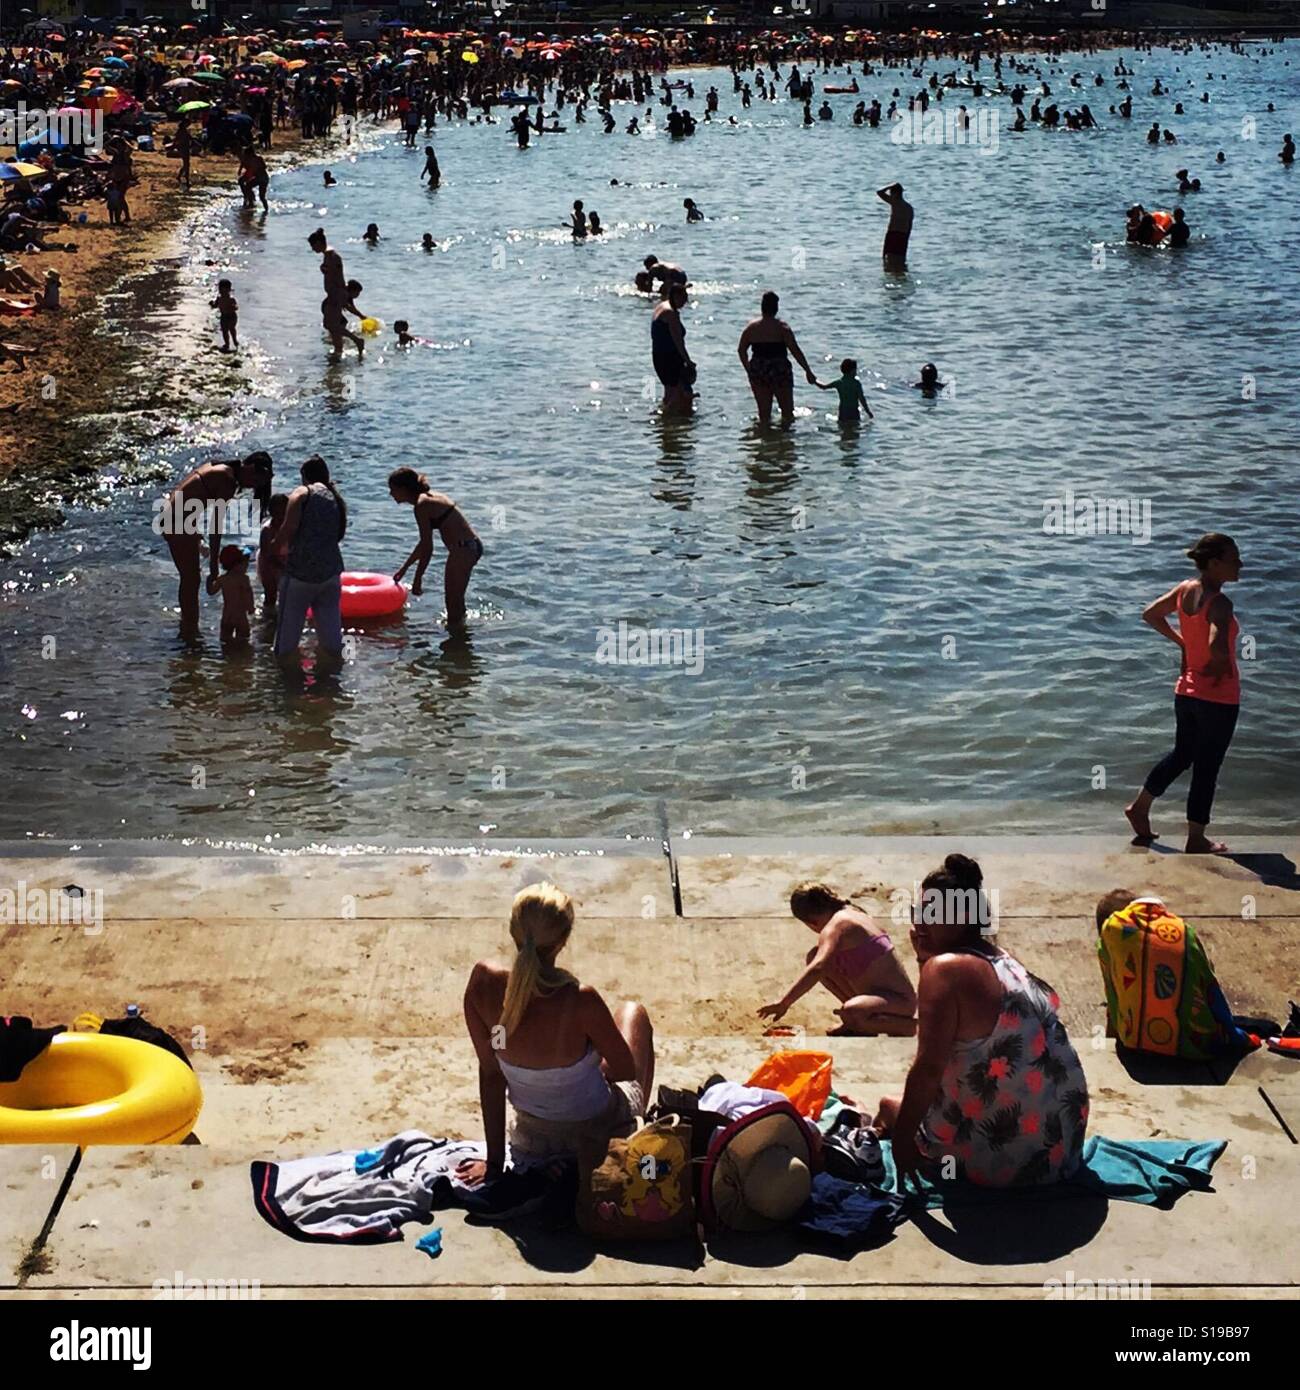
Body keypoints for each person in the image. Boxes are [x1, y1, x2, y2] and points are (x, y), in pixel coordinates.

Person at [873, 854, 1088, 1187]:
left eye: (931, 913)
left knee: (890, 1108)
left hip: (1006, 1165)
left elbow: (928, 1068)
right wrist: (923, 957)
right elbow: (947, 1017)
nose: (918, 923)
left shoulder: (944, 971)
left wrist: (902, 1144)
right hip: (1061, 1152)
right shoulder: (1001, 959)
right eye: (917, 912)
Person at [458, 882, 655, 1182]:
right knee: (632, 1013)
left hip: (534, 1142)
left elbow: (491, 1074)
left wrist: (494, 1163)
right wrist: (584, 1064)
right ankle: (635, 1131)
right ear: (563, 940)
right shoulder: (580, 999)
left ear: (514, 932)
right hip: (597, 1136)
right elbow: (625, 1069)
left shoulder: (483, 984)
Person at [1126, 533, 1243, 854]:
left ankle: (1140, 807)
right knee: (1207, 767)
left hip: (1187, 692)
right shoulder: (1220, 603)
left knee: (1182, 754)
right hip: (1217, 698)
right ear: (1215, 563)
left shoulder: (1185, 590)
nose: (1240, 564)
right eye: (1234, 559)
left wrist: (1183, 643)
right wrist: (1218, 663)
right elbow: (1216, 644)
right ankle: (1196, 838)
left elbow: (1151, 613)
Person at [759, 882, 916, 1036]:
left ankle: (907, 1027)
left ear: (811, 922)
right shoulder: (853, 911)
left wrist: (784, 1003)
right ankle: (858, 1019)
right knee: (814, 954)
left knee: (851, 1011)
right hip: (878, 998)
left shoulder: (837, 925)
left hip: (898, 1002)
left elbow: (818, 967)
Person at [162, 453, 273, 637]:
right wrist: (214, 565)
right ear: (251, 468)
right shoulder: (227, 479)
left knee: (190, 578)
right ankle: (190, 630)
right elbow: (216, 526)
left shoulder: (219, 466)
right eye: (255, 481)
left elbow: (187, 493)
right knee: (191, 579)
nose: (251, 486)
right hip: (177, 521)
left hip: (174, 515)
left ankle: (188, 624)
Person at [273, 455, 347, 670]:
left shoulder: (302, 492)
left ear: (304, 476)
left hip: (300, 575)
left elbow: (289, 527)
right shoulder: (335, 498)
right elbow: (339, 534)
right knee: (333, 640)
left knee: (285, 642)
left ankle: (286, 685)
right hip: (331, 573)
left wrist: (274, 547)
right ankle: (333, 682)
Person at [388, 466, 483, 629]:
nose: (391, 494)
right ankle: (461, 638)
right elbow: (423, 544)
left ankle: (457, 641)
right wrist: (404, 569)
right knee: (455, 601)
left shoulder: (422, 505)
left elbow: (428, 547)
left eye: (393, 489)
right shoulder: (428, 498)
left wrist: (418, 579)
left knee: (453, 604)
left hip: (463, 549)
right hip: (469, 547)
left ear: (404, 489)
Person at [737, 290, 816, 426]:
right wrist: (808, 371)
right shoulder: (782, 328)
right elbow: (795, 351)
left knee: (764, 413)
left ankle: (765, 441)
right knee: (787, 412)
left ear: (762, 307)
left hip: (759, 369)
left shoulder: (751, 328)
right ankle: (784, 442)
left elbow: (741, 350)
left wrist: (749, 369)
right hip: (779, 369)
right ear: (776, 308)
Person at [308, 227, 363, 358]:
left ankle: (357, 341)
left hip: (336, 294)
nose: (312, 249)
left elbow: (338, 278)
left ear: (320, 243)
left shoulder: (332, 257)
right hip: (334, 293)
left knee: (330, 325)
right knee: (334, 325)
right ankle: (338, 350)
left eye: (313, 245)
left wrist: (340, 296)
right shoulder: (328, 255)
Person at [651, 282, 695, 416]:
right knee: (677, 394)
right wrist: (688, 361)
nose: (685, 302)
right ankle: (668, 419)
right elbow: (678, 342)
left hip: (658, 356)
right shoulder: (671, 314)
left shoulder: (661, 306)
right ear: (675, 296)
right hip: (669, 358)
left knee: (669, 391)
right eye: (683, 298)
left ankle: (666, 425)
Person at [205, 544, 255, 647]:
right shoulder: (243, 579)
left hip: (227, 617)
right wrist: (251, 608)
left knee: (225, 642)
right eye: (245, 563)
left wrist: (209, 579)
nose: (246, 566)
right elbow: (248, 594)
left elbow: (211, 592)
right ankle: (240, 659)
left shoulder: (222, 579)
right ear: (237, 564)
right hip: (240, 617)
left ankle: (228, 658)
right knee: (244, 642)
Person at [256, 493, 289, 618]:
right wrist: (280, 565)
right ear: (271, 512)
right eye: (277, 511)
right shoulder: (267, 529)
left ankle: (283, 616)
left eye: (284, 511)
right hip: (267, 563)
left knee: (287, 593)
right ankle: (268, 618)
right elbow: (266, 553)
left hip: (286, 559)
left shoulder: (291, 526)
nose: (281, 515)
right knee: (270, 593)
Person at [816, 358, 873, 424]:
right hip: (854, 412)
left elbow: (823, 387)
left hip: (843, 412)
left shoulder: (839, 383)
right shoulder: (856, 384)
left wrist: (815, 381)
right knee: (855, 431)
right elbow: (862, 399)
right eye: (855, 370)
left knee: (842, 430)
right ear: (852, 371)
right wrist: (868, 412)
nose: (856, 372)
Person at [876, 183, 913, 269]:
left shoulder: (895, 202)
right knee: (900, 260)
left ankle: (890, 277)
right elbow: (910, 225)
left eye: (891, 193)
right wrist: (907, 238)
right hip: (903, 236)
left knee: (887, 259)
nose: (890, 195)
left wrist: (889, 186)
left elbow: (879, 192)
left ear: (895, 194)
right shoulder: (909, 207)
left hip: (893, 234)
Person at [211, 278, 238, 352]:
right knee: (224, 330)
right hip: (224, 316)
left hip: (232, 316)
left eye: (226, 290)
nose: (223, 292)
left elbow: (236, 307)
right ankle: (227, 344)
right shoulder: (219, 298)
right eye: (221, 290)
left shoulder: (231, 299)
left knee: (232, 329)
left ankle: (235, 341)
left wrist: (233, 307)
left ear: (229, 290)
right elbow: (215, 305)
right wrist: (212, 304)